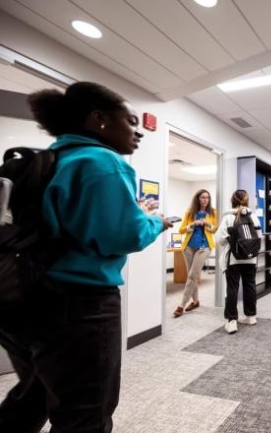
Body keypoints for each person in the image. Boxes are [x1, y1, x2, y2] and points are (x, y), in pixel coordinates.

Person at [0, 82, 172, 432]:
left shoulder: (49, 159)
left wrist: (132, 213)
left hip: (19, 297)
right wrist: (155, 221)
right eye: (130, 120)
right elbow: (124, 236)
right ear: (100, 119)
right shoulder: (103, 161)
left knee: (33, 396)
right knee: (85, 414)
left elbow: (66, 225)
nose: (137, 132)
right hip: (79, 309)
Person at [216, 190, 261, 334]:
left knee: (232, 288)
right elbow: (259, 236)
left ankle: (232, 321)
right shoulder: (253, 217)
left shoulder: (228, 217)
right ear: (247, 201)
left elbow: (220, 239)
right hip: (251, 258)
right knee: (250, 286)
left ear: (232, 200)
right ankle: (251, 317)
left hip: (233, 259)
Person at [173, 189, 218, 318]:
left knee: (193, 274)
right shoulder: (189, 212)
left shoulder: (213, 212)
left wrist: (208, 223)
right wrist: (192, 224)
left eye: (207, 197)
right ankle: (196, 301)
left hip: (205, 247)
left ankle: (182, 304)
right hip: (188, 246)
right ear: (197, 198)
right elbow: (181, 230)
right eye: (203, 197)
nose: (205, 200)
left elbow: (215, 230)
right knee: (191, 275)